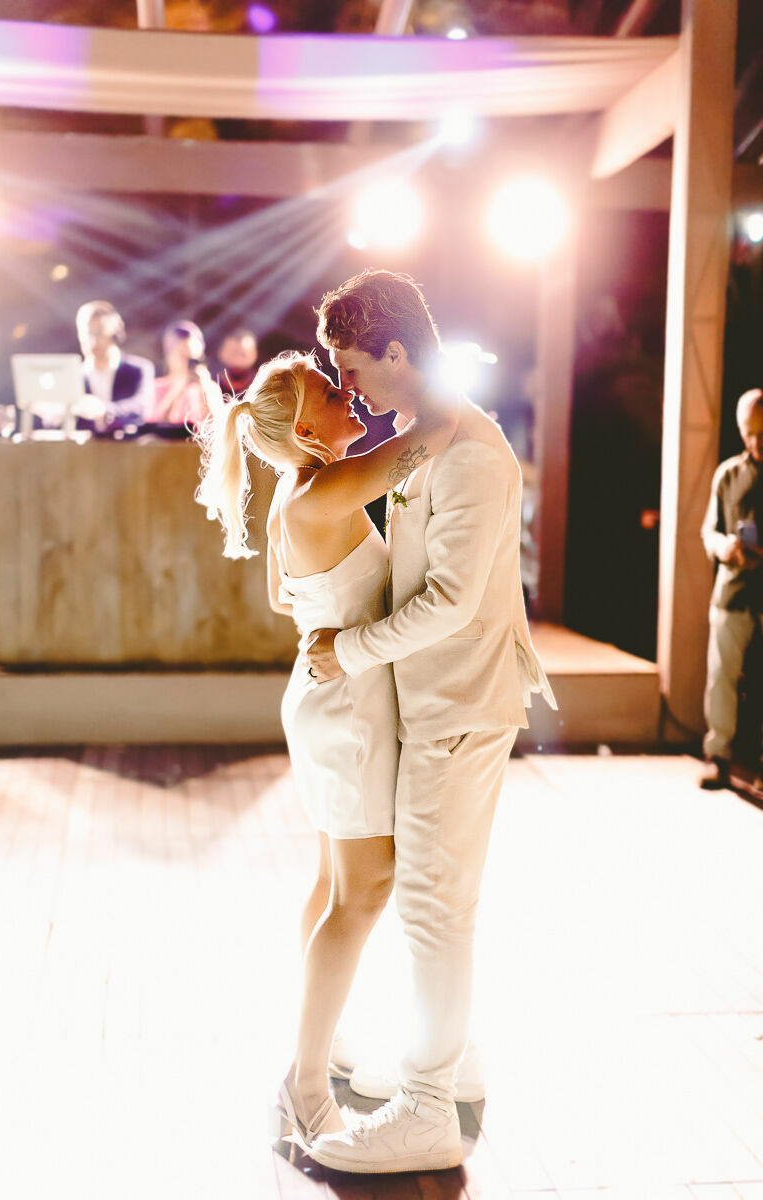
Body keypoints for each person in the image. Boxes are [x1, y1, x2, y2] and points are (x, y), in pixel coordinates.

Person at [304, 269, 556, 1175]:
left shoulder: (474, 451)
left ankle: (426, 1109)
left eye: (353, 363)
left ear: (398, 350)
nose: (348, 385)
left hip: (458, 703)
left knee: (431, 906)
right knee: (438, 898)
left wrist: (350, 648)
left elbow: (450, 601)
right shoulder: (423, 435)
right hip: (436, 700)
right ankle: (449, 1060)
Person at [194, 346, 457, 1153]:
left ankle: (322, 1039)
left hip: (325, 697)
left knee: (333, 884)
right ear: (307, 431)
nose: (351, 395)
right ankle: (305, 1085)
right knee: (364, 890)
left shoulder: (296, 492)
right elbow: (441, 429)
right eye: (333, 392)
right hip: (345, 710)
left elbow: (283, 595)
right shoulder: (330, 486)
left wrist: (329, 620)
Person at [700, 388, 763, 790]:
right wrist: (724, 546)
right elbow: (708, 530)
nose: (756, 439)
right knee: (721, 675)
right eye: (750, 431)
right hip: (733, 592)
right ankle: (718, 756)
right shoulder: (728, 474)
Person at [75, 300, 154, 433]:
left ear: (114, 333)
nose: (92, 342)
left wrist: (104, 410)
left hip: (128, 451)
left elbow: (141, 407)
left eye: (98, 334)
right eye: (87, 334)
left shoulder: (139, 369)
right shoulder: (74, 375)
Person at [150, 320, 210, 426]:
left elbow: (215, 427)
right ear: (169, 357)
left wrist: (204, 391)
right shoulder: (155, 388)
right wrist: (178, 389)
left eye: (193, 359)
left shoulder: (210, 389)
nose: (187, 363)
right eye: (182, 356)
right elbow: (155, 426)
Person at [215, 327, 259, 394]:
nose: (238, 359)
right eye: (233, 353)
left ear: (254, 355)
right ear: (221, 352)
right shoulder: (206, 379)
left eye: (243, 354)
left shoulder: (260, 384)